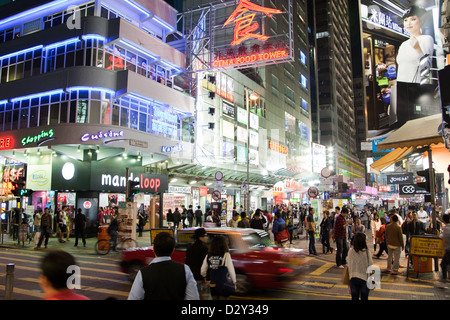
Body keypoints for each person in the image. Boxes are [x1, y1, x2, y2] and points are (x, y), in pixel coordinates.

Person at [128, 232, 199, 300]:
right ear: (173, 250)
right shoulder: (185, 270)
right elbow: (193, 297)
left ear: (153, 249)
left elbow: (134, 298)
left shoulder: (143, 273)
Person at [396, 5, 434, 83]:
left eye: (413, 19)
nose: (408, 23)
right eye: (405, 20)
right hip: (402, 89)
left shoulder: (426, 39)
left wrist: (417, 49)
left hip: (417, 89)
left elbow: (426, 67)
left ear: (421, 21)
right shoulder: (403, 44)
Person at [185, 228, 210, 299]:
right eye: (205, 236)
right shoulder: (204, 248)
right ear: (200, 237)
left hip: (191, 277)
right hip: (201, 278)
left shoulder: (190, 247)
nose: (206, 237)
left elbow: (187, 262)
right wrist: (207, 277)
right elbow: (205, 264)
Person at [347, 233, 372, 300]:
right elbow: (371, 265)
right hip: (365, 279)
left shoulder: (350, 251)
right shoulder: (367, 252)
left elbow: (348, 263)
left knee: (354, 298)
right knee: (364, 298)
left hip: (353, 278)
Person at [438, 214, 450, 288]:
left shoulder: (446, 228)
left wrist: (442, 248)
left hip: (448, 250)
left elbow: (444, 238)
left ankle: (444, 279)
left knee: (443, 264)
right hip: (448, 250)